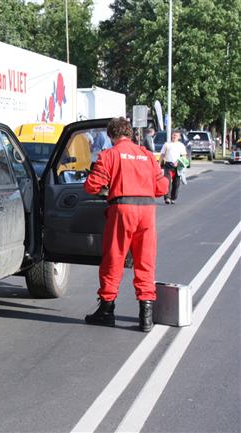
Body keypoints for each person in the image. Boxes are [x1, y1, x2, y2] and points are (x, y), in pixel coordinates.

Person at [83, 117, 169, 332]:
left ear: (111, 135)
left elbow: (92, 187)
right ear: (130, 133)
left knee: (114, 260)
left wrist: (106, 183)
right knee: (145, 261)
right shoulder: (147, 155)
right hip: (147, 212)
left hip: (122, 210)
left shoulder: (109, 155)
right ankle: (146, 316)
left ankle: (106, 310)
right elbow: (162, 188)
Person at [159, 130, 187, 204]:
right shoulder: (167, 144)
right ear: (172, 135)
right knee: (167, 182)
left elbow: (184, 155)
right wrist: (159, 164)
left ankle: (173, 198)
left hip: (177, 166)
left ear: (179, 137)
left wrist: (179, 162)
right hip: (168, 165)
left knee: (176, 183)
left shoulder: (181, 145)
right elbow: (162, 154)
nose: (175, 137)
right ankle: (167, 198)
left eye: (176, 135)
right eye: (174, 135)